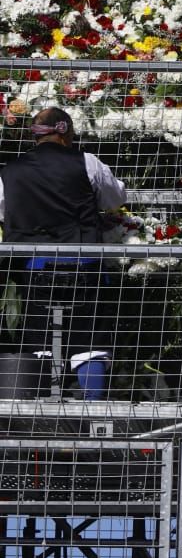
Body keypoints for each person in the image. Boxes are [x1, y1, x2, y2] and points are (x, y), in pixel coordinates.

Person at [0, 105, 127, 397]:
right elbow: (114, 198)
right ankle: (91, 408)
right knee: (88, 336)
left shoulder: (10, 171)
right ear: (65, 130)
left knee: (39, 336)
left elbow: (4, 211)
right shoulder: (88, 163)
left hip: (34, 267)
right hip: (83, 263)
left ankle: (40, 415)